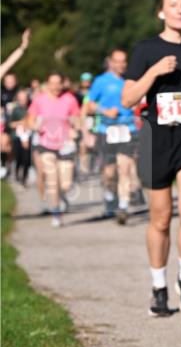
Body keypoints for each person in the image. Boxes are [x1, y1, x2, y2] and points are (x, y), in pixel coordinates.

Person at [122, 0, 181, 318]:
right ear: (161, 11)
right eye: (174, 5)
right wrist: (154, 72)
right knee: (160, 219)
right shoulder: (145, 50)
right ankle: (159, 287)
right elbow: (128, 98)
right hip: (155, 140)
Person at [87, 49, 138, 224]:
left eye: (124, 61)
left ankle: (123, 207)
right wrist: (105, 111)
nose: (121, 64)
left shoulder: (130, 80)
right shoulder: (101, 81)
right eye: (117, 61)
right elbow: (90, 104)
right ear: (110, 61)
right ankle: (110, 194)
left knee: (125, 168)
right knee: (109, 172)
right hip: (106, 129)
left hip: (127, 128)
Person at [24, 71, 80, 226]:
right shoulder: (39, 100)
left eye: (58, 83)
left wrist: (75, 129)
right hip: (45, 145)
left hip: (65, 145)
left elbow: (77, 119)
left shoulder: (70, 99)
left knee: (66, 184)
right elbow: (29, 120)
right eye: (52, 83)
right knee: (52, 180)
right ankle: (56, 213)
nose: (55, 86)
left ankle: (61, 197)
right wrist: (34, 125)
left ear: (63, 84)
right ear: (47, 84)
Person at [8, 88, 32, 185]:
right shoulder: (15, 110)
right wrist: (20, 123)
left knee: (27, 158)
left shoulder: (31, 108)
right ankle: (17, 173)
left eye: (24, 98)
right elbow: (10, 124)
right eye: (21, 98)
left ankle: (24, 177)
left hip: (28, 136)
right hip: (17, 137)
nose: (23, 100)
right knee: (19, 158)